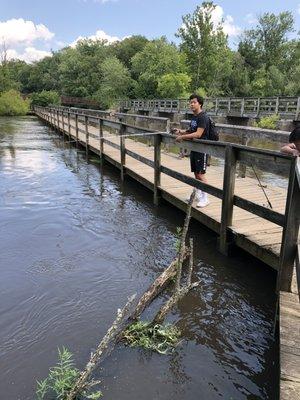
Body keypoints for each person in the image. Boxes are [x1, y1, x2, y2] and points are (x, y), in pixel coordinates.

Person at [174, 94, 210, 208]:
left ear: (200, 103)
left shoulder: (203, 117)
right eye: (190, 102)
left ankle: (206, 198)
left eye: (194, 102)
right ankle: (198, 193)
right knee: (195, 172)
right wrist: (181, 132)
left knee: (201, 174)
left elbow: (198, 134)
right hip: (195, 148)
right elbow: (191, 130)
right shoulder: (194, 117)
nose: (191, 104)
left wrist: (182, 138)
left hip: (202, 148)